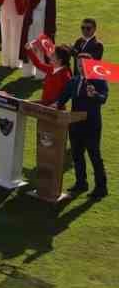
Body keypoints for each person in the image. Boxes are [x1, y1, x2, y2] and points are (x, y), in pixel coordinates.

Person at [54, 56, 107, 198]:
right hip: (75, 123)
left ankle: (101, 188)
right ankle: (81, 183)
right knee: (77, 155)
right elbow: (63, 98)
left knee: (94, 155)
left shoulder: (98, 80)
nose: (81, 67)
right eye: (78, 64)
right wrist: (54, 106)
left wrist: (94, 94)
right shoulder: (74, 80)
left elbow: (103, 99)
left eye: (83, 64)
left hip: (91, 125)